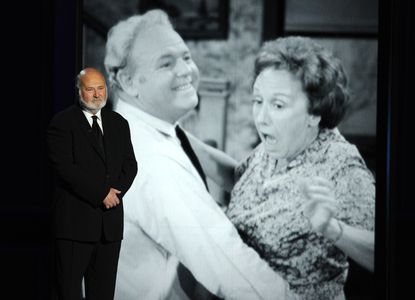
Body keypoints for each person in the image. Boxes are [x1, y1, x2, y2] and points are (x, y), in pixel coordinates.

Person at [104, 9, 297, 300]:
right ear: (129, 82)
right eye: (166, 63)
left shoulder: (140, 129)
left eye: (186, 57)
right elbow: (229, 266)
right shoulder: (152, 161)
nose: (186, 71)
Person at [189, 36, 375, 300]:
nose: (261, 117)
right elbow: (239, 179)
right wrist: (181, 139)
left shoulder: (341, 164)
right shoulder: (277, 144)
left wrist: (334, 230)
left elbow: (390, 254)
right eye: (258, 101)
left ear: (315, 112)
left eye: (278, 105)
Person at [47, 67, 138, 300]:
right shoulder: (62, 123)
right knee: (67, 294)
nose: (97, 95)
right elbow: (66, 169)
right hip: (74, 227)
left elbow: (130, 165)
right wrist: (101, 194)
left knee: (103, 295)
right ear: (78, 92)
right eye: (90, 89)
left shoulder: (119, 123)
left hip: (109, 228)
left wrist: (115, 194)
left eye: (101, 88)